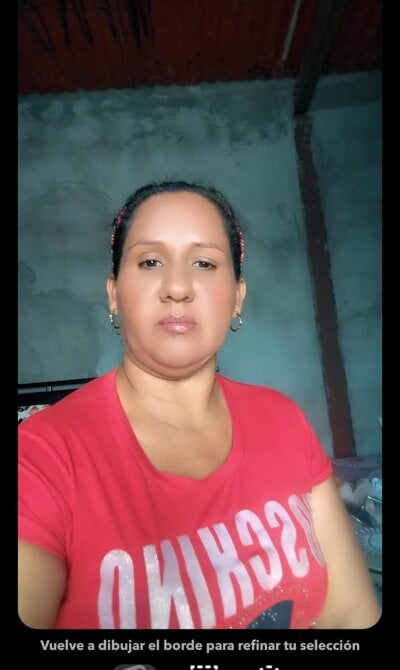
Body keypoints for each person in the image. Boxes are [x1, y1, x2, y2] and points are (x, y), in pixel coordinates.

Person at [18, 180, 380, 629]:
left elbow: (350, 614)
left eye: (205, 263)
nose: (177, 287)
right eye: (150, 261)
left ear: (237, 297)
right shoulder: (42, 455)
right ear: (113, 293)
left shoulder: (282, 418)